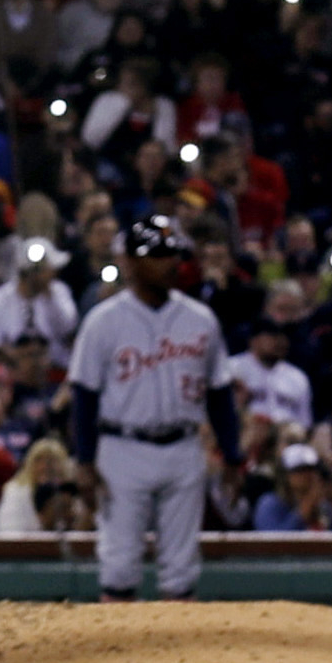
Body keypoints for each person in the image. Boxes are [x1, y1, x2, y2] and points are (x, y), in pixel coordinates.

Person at [68, 214, 239, 601]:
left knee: (181, 568)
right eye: (156, 255)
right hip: (122, 447)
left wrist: (232, 455)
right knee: (119, 564)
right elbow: (84, 396)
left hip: (184, 445)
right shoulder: (103, 322)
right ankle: (119, 657)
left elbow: (220, 392)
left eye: (172, 254)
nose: (169, 263)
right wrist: (84, 460)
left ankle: (177, 658)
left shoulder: (200, 319)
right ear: (128, 261)